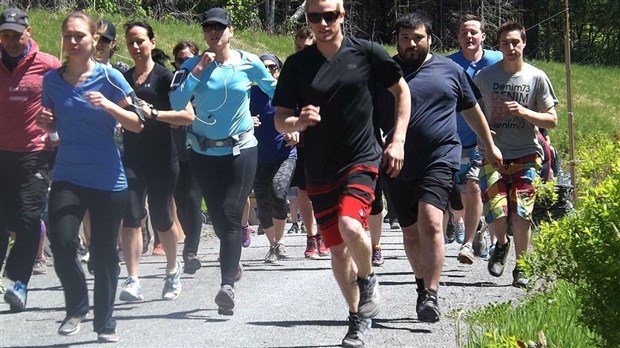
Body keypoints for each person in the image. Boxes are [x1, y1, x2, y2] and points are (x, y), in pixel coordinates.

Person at [273, 1, 411, 346]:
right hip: (319, 167)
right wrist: (298, 122)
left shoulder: (367, 53)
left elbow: (401, 90)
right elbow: (280, 117)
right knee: (336, 250)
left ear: (342, 15)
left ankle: (367, 278)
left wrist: (398, 140)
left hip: (361, 158)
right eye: (314, 17)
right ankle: (357, 319)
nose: (322, 23)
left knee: (352, 225)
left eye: (329, 15)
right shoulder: (297, 65)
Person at [380, 12, 502, 323]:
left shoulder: (449, 70)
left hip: (441, 155)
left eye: (417, 37)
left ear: (429, 38)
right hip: (395, 161)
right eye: (405, 38)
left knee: (431, 222)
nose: (411, 43)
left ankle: (432, 294)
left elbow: (473, 112)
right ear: (397, 40)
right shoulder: (383, 72)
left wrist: (489, 146)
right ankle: (422, 288)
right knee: (410, 234)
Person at [36, 11, 144, 342]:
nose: (72, 42)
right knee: (65, 241)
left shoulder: (110, 78)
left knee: (103, 253)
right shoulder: (52, 81)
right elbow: (55, 129)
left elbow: (137, 123)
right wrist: (48, 126)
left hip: (108, 179)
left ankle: (105, 321)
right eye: (68, 36)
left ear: (93, 40)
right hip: (68, 174)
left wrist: (110, 108)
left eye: (79, 36)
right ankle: (77, 305)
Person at [170, 7, 277, 316]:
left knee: (231, 214)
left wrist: (295, 112)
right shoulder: (191, 65)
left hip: (241, 150)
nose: (214, 33)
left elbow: (275, 90)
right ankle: (233, 264)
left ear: (230, 31)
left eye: (220, 27)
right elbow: (177, 103)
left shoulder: (248, 63)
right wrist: (196, 73)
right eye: (209, 28)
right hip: (202, 152)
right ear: (204, 33)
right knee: (218, 218)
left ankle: (226, 285)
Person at [474, 21, 558, 288]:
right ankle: (501, 244)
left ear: (523, 44)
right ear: (498, 47)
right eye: (505, 43)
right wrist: (486, 135)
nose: (511, 47)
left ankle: (521, 267)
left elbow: (552, 119)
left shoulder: (536, 77)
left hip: (526, 154)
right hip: (492, 153)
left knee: (521, 213)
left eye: (515, 42)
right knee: (496, 211)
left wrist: (524, 112)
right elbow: (469, 112)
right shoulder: (485, 77)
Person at [118, 21, 194, 303]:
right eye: (131, 43)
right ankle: (133, 278)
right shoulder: (123, 78)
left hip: (163, 156)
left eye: (140, 41)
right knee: (131, 212)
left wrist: (154, 114)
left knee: (162, 215)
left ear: (152, 41)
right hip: (132, 156)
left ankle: (173, 270)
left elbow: (187, 116)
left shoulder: (166, 78)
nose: (136, 47)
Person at [0, 7, 61, 312]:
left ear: (29, 32)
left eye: (16, 34)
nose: (11, 40)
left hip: (35, 153)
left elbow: (69, 96)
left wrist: (57, 122)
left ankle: (19, 283)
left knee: (26, 219)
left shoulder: (48, 65)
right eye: (5, 35)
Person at [447, 15, 503, 264]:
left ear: (483, 36)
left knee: (479, 187)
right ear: (458, 37)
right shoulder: (448, 64)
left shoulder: (498, 61)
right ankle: (459, 221)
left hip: (488, 139)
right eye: (464, 33)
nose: (469, 37)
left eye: (473, 33)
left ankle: (479, 244)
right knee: (457, 198)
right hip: (455, 139)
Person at [286, 26, 330, 259]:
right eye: (298, 48)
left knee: (324, 191)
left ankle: (324, 233)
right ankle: (311, 237)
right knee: (303, 191)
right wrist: (291, 127)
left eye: (308, 48)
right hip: (303, 141)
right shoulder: (293, 69)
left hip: (328, 141)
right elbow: (284, 104)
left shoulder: (331, 68)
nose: (303, 52)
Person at [251, 53, 298, 263]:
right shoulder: (248, 94)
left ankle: (280, 241)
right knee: (262, 200)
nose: (268, 71)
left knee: (278, 192)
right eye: (264, 68)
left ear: (278, 71)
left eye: (272, 67)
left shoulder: (287, 93)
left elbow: (302, 117)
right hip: (258, 156)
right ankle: (272, 245)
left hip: (285, 153)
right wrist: (246, 120)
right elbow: (233, 118)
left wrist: (297, 131)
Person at [170, 39, 206, 274]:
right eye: (180, 60)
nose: (184, 63)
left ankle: (190, 250)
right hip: (173, 149)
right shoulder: (170, 83)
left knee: (193, 199)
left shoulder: (205, 82)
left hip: (199, 148)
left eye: (188, 59)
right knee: (181, 202)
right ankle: (189, 238)